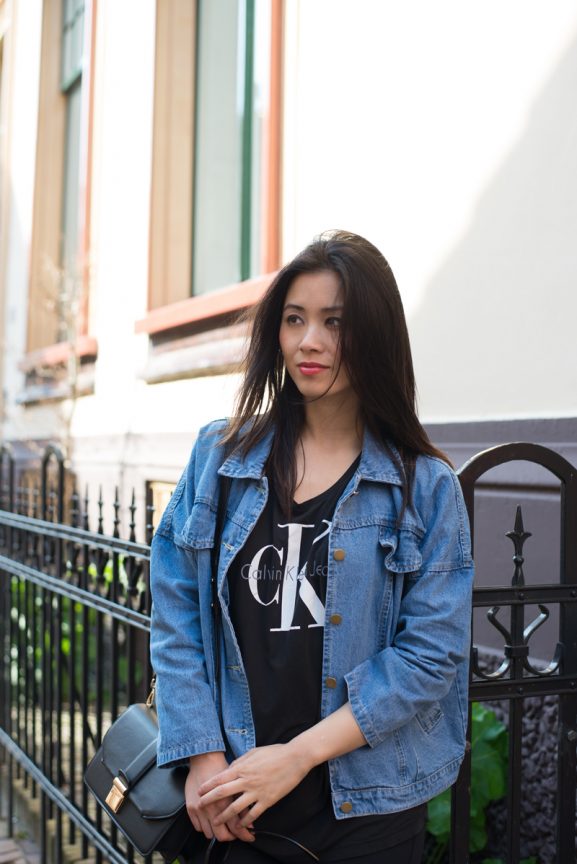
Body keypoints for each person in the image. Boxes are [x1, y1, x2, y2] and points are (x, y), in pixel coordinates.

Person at [150, 231, 474, 864]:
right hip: (233, 803)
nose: (310, 342)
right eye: (294, 319)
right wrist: (204, 759)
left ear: (376, 335)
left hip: (366, 808)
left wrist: (297, 757)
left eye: (335, 322)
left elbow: (430, 657)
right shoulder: (221, 458)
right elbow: (176, 607)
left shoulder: (425, 490)